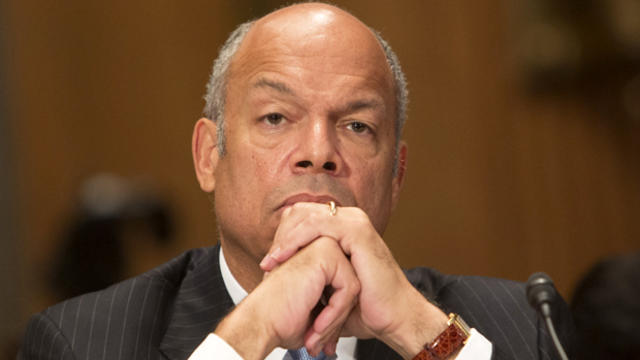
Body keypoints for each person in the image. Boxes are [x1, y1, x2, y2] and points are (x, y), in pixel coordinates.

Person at [18, 2, 573, 359]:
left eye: (357, 125)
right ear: (210, 156)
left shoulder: (523, 328)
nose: (318, 154)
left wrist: (417, 331)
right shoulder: (83, 342)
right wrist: (249, 333)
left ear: (396, 176)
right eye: (276, 118)